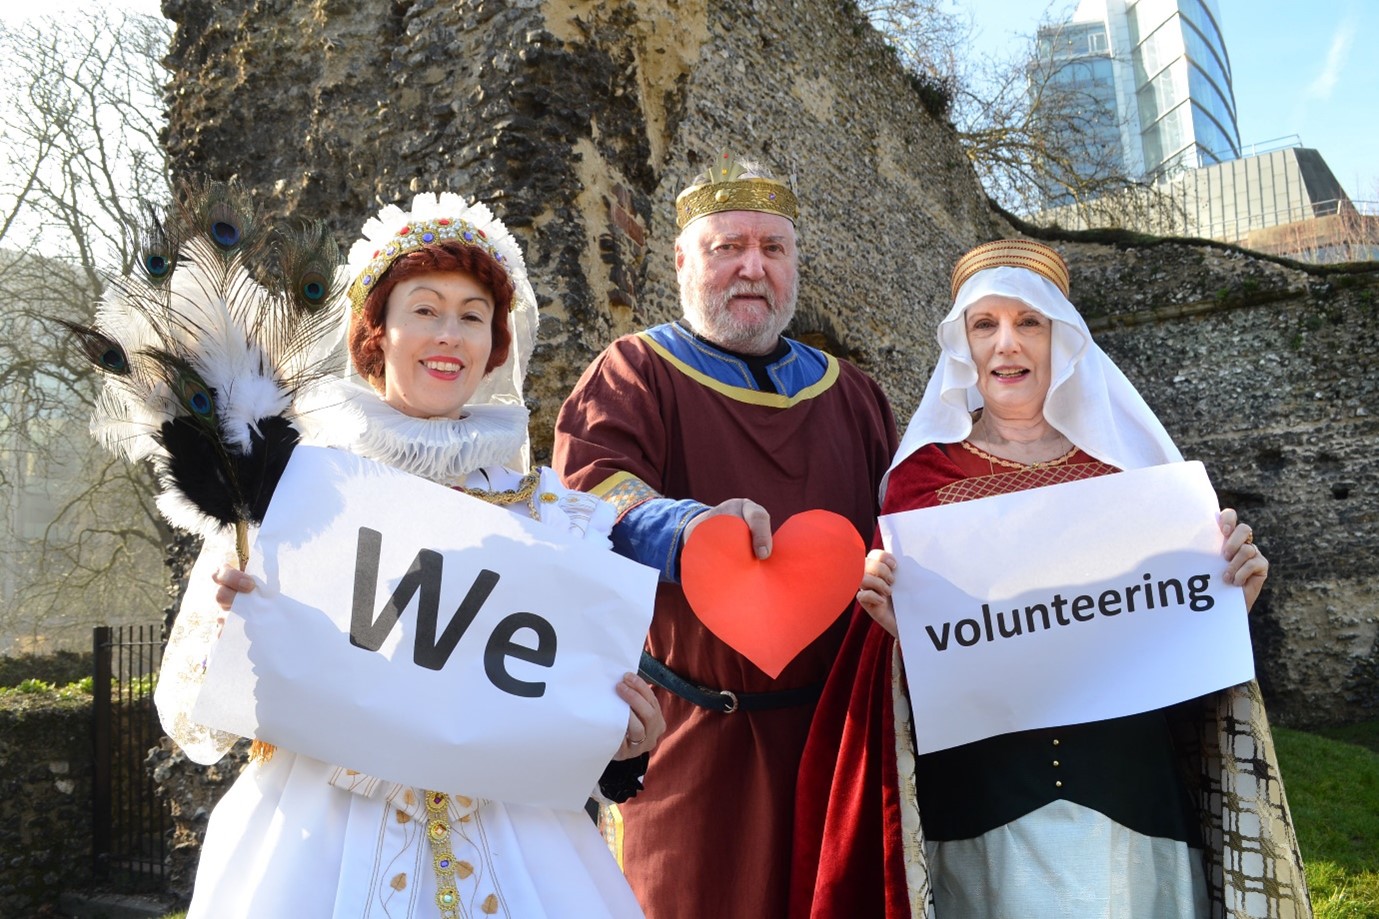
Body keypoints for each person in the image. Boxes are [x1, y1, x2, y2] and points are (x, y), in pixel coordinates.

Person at [156, 192, 666, 918]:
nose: (448, 334)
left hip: (522, 851)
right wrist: (224, 624)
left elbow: (568, 715)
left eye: (472, 315)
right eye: (424, 309)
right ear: (377, 335)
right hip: (318, 849)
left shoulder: (557, 517)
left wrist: (622, 746)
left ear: (496, 343)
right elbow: (193, 720)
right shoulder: (293, 491)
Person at [789, 239, 1313, 918]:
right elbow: (901, 679)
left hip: (1124, 798)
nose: (1006, 344)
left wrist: (1222, 604)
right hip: (983, 805)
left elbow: (1164, 645)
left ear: (1060, 337)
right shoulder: (919, 487)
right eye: (985, 325)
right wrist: (896, 630)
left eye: (1027, 322)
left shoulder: (1131, 476)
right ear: (963, 346)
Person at [553, 154, 899, 918]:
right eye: (727, 247)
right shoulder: (632, 373)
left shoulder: (853, 395)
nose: (752, 268)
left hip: (836, 746)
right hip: (689, 747)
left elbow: (907, 526)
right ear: (682, 260)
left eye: (772, 250)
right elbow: (591, 493)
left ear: (794, 264)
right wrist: (692, 528)